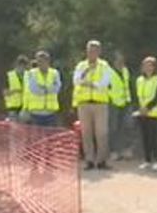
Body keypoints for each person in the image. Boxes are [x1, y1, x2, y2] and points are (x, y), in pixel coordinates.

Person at [72, 40, 115, 170]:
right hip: (84, 103)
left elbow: (104, 82)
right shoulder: (81, 65)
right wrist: (86, 74)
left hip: (100, 103)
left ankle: (102, 160)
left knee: (101, 132)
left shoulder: (104, 65)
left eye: (95, 50)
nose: (92, 53)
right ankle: (89, 160)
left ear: (99, 52)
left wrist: (91, 84)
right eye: (90, 50)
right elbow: (77, 80)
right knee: (86, 133)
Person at [133, 56, 157, 170]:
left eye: (150, 65)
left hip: (154, 113)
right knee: (145, 137)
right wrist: (139, 109)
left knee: (154, 138)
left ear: (154, 67)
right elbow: (137, 96)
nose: (147, 68)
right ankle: (147, 160)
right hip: (142, 113)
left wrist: (147, 108)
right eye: (145, 65)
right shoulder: (139, 80)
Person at [22, 50, 62, 127]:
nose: (40, 63)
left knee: (50, 137)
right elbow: (34, 89)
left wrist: (43, 88)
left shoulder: (54, 73)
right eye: (38, 61)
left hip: (51, 112)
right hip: (35, 112)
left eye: (43, 61)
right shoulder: (31, 73)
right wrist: (48, 89)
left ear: (48, 61)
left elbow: (57, 88)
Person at [108, 52, 133, 160]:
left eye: (122, 60)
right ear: (114, 61)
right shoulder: (108, 72)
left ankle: (126, 150)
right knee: (113, 128)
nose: (120, 62)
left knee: (127, 126)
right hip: (114, 103)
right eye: (118, 60)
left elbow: (129, 86)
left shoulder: (126, 70)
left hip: (126, 103)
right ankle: (113, 151)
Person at [3, 55, 28, 120]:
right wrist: (15, 91)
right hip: (13, 106)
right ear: (17, 65)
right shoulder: (9, 75)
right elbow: (5, 93)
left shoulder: (28, 75)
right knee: (14, 126)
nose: (22, 69)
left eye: (24, 67)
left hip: (25, 106)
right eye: (21, 66)